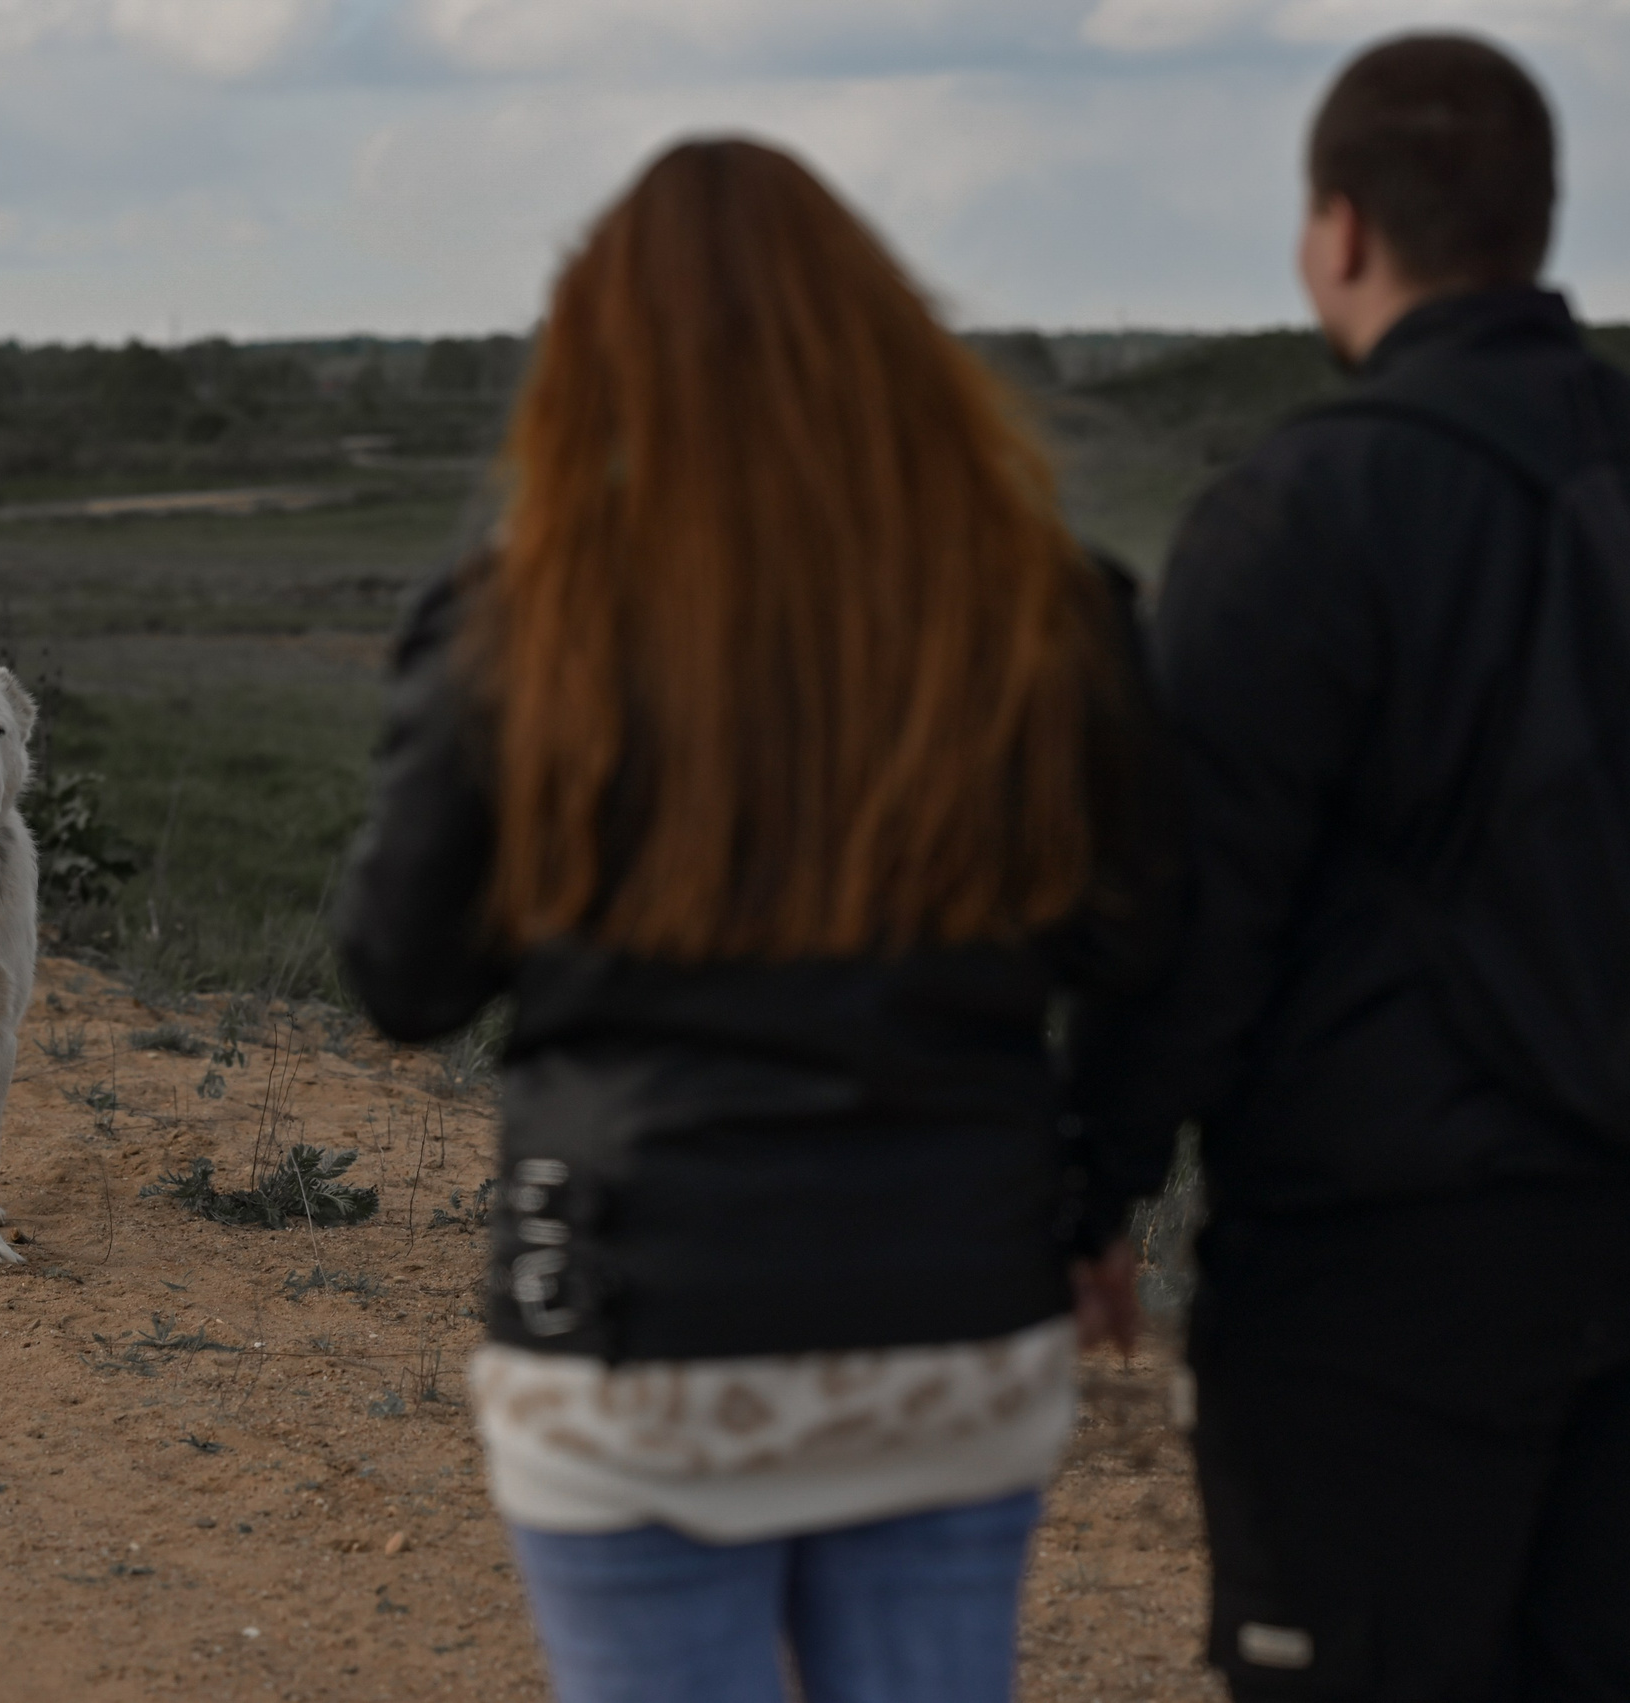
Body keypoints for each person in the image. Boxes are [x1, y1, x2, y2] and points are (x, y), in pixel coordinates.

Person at [333, 138, 1175, 1703]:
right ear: (882, 336)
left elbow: (404, 978)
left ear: (603, 359)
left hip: (629, 1331)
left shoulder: (519, 618)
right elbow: (1146, 955)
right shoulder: (1048, 607)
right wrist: (1092, 1204)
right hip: (952, 1319)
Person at [1074, 33, 1630, 1702]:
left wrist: (1090, 1188)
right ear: (1538, 223)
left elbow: (1191, 917)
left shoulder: (1300, 513)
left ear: (1339, 231)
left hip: (1376, 1285)